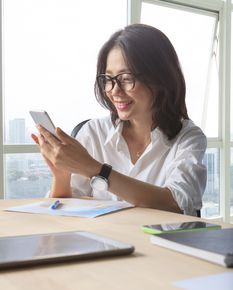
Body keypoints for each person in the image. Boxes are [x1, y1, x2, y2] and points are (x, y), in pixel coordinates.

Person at [32, 23, 207, 216]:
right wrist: (61, 175)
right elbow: (65, 212)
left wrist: (95, 169)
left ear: (160, 78)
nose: (114, 90)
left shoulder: (188, 137)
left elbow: (176, 204)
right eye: (108, 79)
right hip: (104, 243)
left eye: (126, 78)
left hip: (157, 245)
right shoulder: (93, 132)